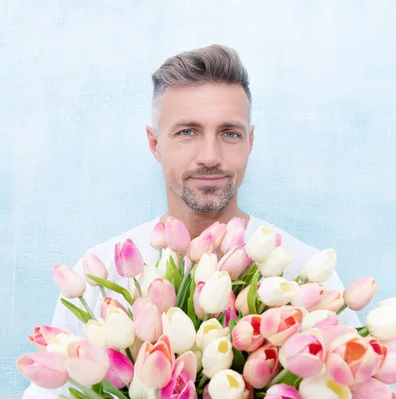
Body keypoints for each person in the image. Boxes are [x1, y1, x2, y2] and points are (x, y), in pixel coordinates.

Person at [21, 44, 360, 398]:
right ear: (154, 144)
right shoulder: (101, 277)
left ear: (250, 142)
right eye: (187, 132)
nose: (210, 157)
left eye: (230, 133)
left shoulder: (305, 275)